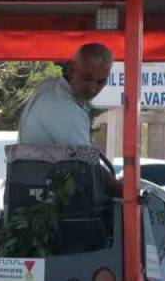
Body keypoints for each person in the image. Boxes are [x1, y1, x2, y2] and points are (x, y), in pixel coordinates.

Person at [17, 42, 122, 196]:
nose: (93, 89)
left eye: (101, 82)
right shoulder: (62, 106)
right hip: (46, 206)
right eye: (87, 78)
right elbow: (88, 166)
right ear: (71, 69)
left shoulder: (50, 89)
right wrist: (126, 192)